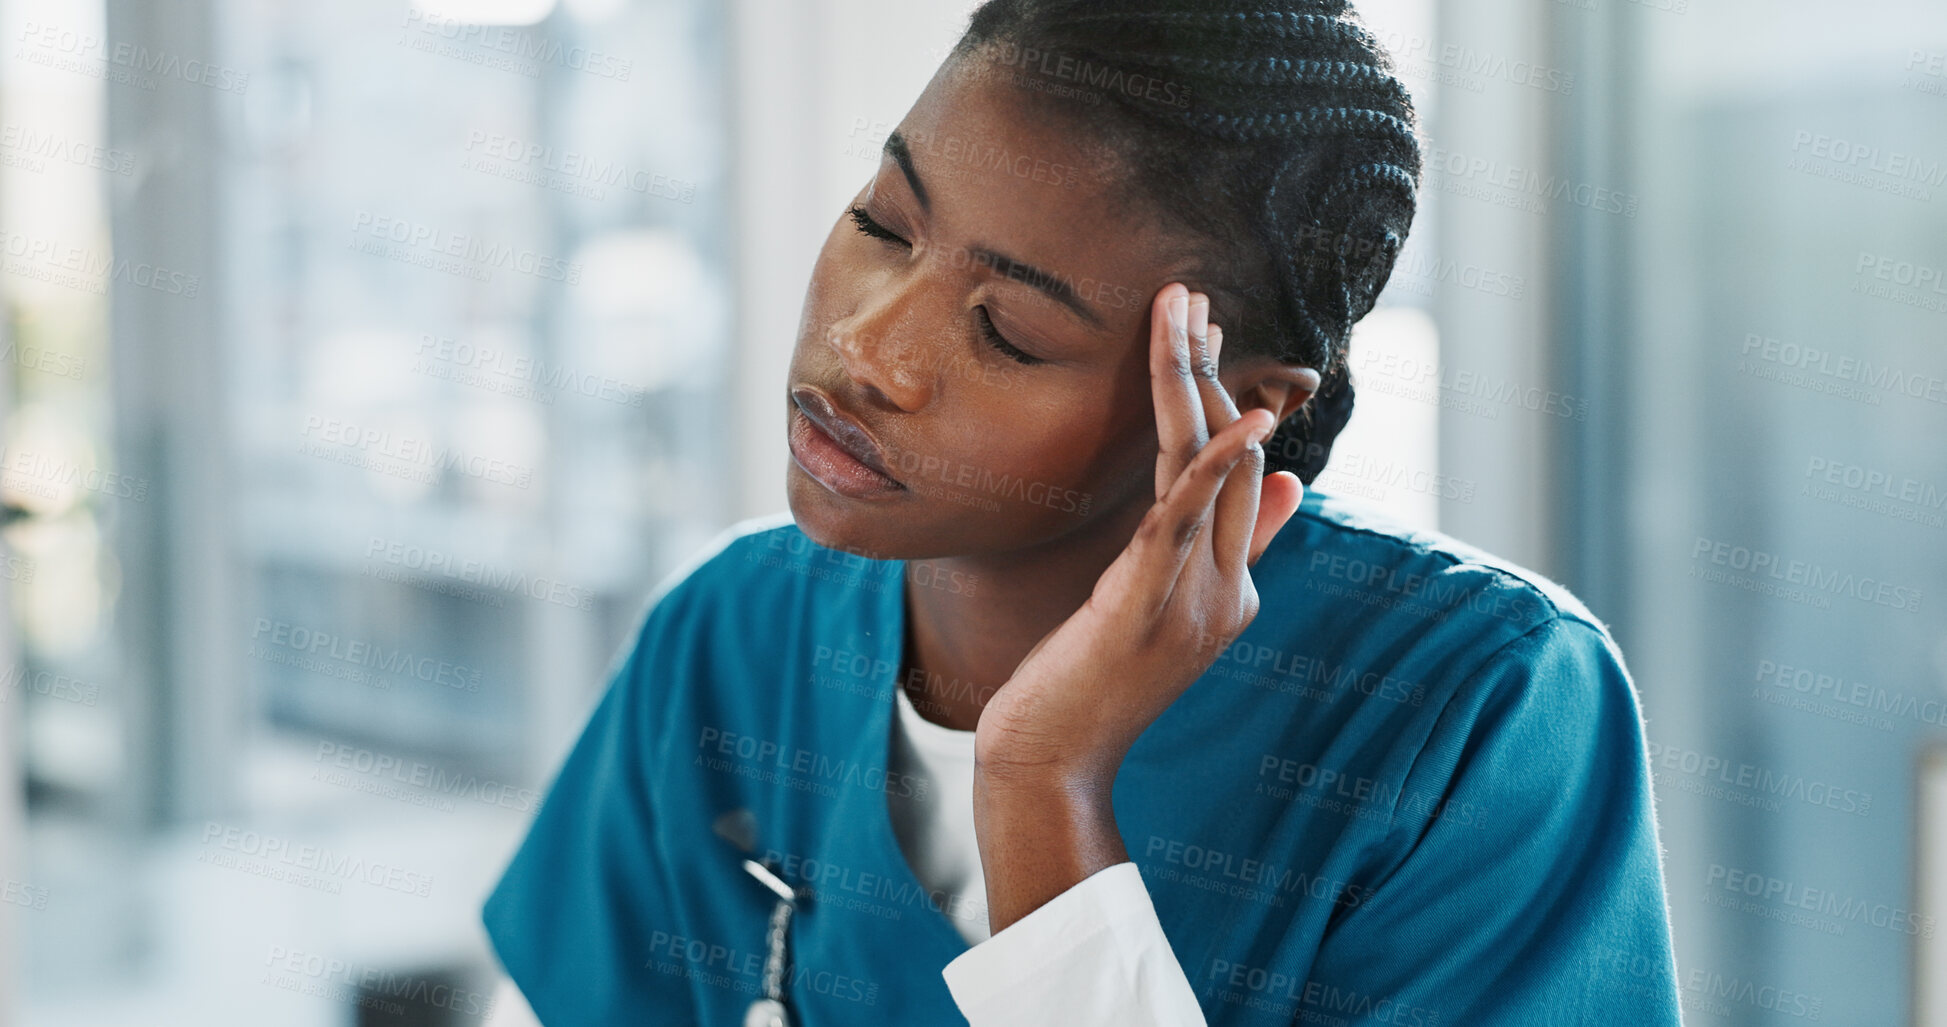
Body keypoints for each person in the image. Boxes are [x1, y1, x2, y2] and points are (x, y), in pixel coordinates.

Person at [482, 1, 1685, 1023]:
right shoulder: (729, 638)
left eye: (1008, 330)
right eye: (882, 225)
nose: (866, 349)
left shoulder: (1478, 707)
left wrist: (1044, 781)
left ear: (1236, 402)